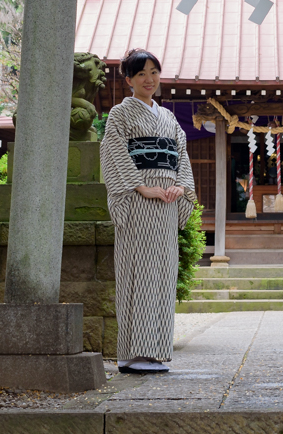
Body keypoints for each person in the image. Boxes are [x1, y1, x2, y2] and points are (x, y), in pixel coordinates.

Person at [100, 48, 196, 374]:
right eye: (141, 73)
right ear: (128, 79)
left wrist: (180, 187)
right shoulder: (120, 115)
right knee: (137, 273)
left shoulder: (168, 117)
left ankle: (156, 351)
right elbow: (114, 151)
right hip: (138, 202)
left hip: (167, 204)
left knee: (164, 275)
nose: (149, 79)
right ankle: (131, 353)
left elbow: (180, 153)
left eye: (154, 72)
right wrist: (141, 187)